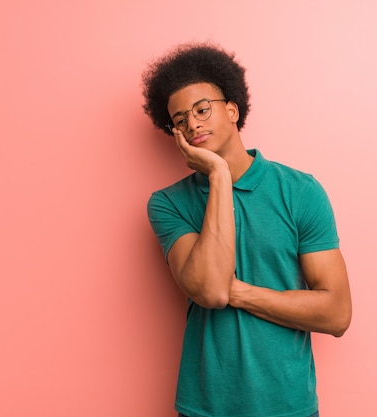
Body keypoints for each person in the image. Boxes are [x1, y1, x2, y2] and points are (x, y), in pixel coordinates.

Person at [142, 42, 352, 417]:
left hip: (289, 406)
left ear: (232, 110)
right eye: (179, 120)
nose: (192, 124)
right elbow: (209, 290)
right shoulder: (168, 204)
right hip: (205, 407)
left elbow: (336, 314)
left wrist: (236, 291)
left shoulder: (300, 191)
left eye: (202, 109)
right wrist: (219, 175)